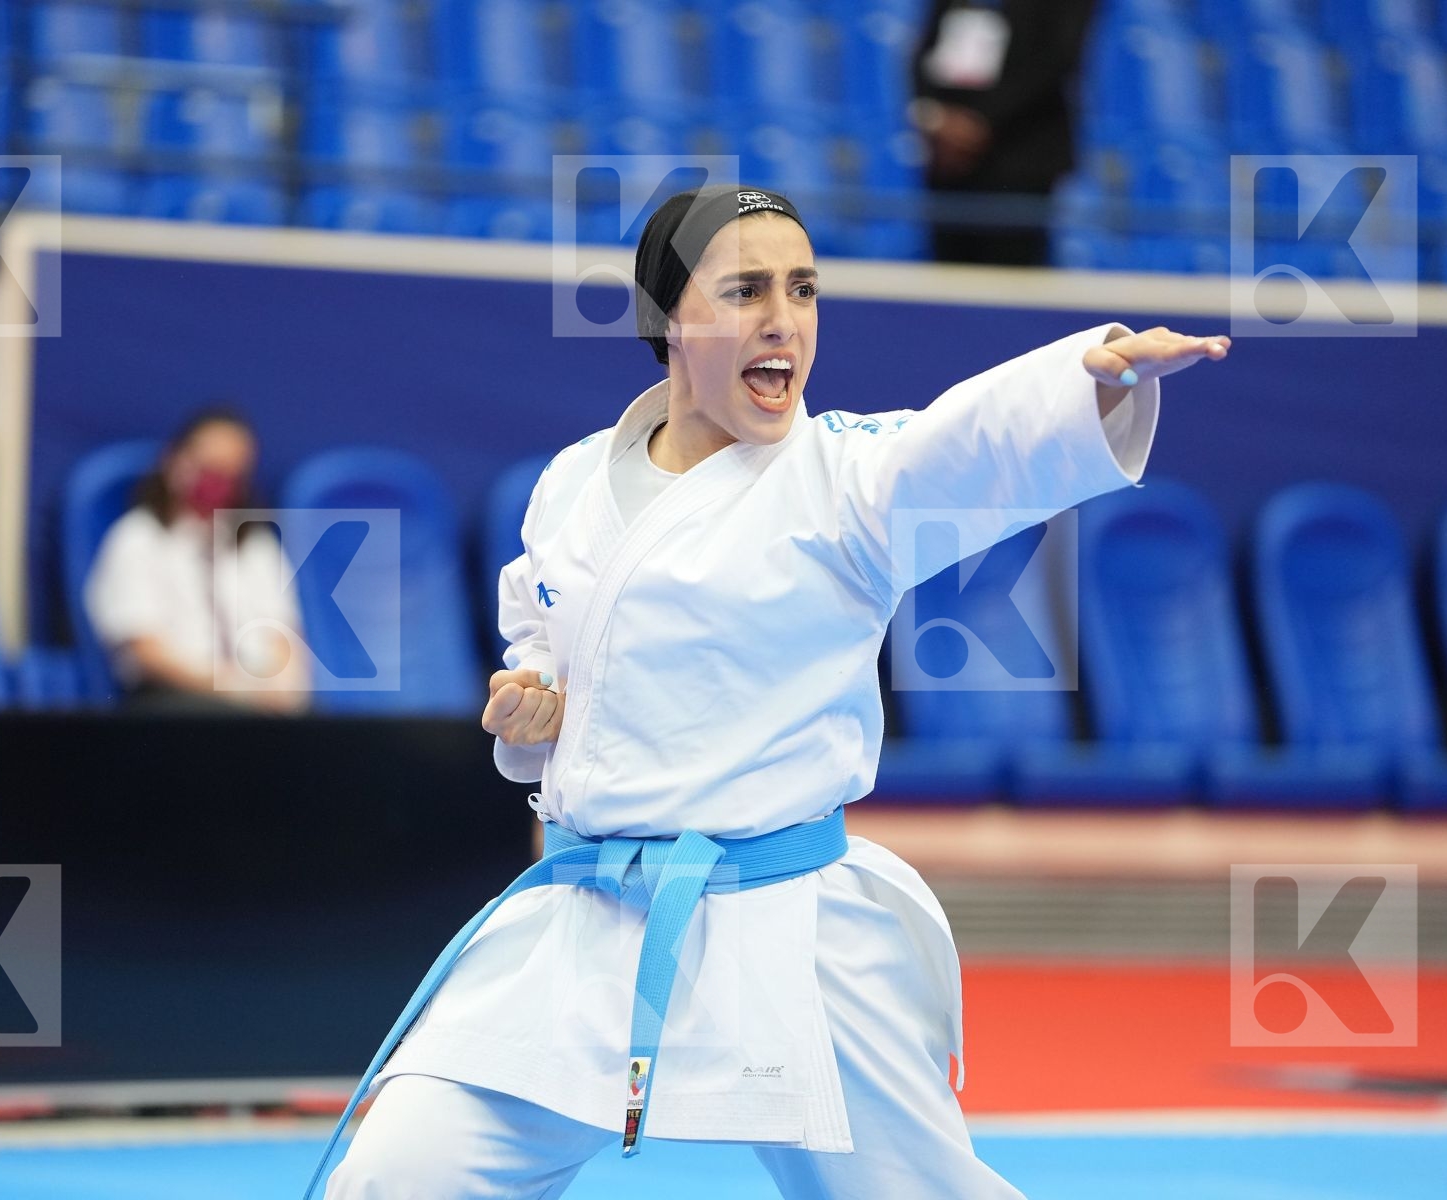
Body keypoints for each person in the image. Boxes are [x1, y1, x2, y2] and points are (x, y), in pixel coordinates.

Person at [313, 186, 1230, 1198]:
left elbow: (960, 447)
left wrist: (1081, 383)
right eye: (745, 289)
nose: (783, 318)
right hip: (587, 918)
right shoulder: (571, 482)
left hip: (789, 931)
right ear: (667, 319)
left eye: (803, 289)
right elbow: (545, 646)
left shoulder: (846, 481)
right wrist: (534, 709)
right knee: (402, 1176)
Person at [84, 407, 308, 712]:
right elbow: (144, 649)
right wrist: (231, 688)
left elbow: (284, 637)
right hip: (173, 699)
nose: (217, 482)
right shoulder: (137, 539)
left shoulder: (255, 544)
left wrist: (285, 690)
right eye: (209, 468)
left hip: (257, 703)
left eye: (230, 473)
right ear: (174, 461)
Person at [910, 0, 1099, 266]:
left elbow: (1057, 56)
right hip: (948, 160)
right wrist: (938, 119)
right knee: (950, 281)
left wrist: (980, 121)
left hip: (1021, 159)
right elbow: (925, 47)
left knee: (1011, 279)